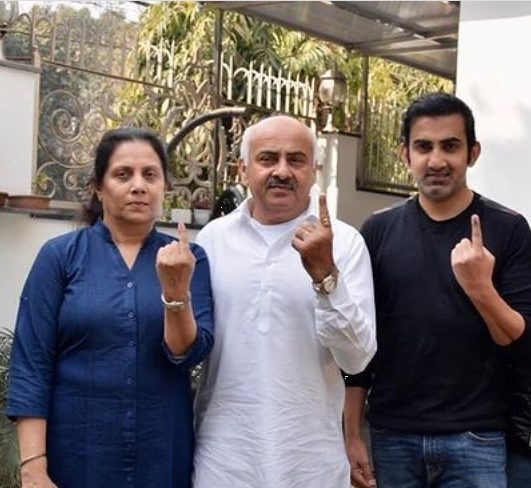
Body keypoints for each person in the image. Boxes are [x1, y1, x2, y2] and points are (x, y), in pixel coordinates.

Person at [7, 127, 214, 488]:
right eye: (123, 174)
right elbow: (31, 363)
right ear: (99, 187)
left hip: (160, 453)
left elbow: (186, 353)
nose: (139, 185)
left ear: (164, 186)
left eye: (150, 175)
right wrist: (33, 468)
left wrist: (176, 288)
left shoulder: (189, 259)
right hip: (77, 455)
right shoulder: (60, 257)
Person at [344, 92, 531, 488]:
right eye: (423, 147)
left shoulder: (509, 228)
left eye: (451, 146)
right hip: (392, 434)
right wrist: (351, 432)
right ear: (404, 155)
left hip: (477, 436)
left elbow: (518, 340)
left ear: (473, 153)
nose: (437, 160)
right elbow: (360, 343)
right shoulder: (377, 230)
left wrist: (480, 287)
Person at [192, 114, 377, 487]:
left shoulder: (344, 242)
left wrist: (326, 275)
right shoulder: (212, 240)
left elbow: (357, 357)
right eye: (267, 159)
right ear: (243, 169)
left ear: (314, 170)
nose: (282, 170)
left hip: (310, 463)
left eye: (295, 160)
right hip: (224, 460)